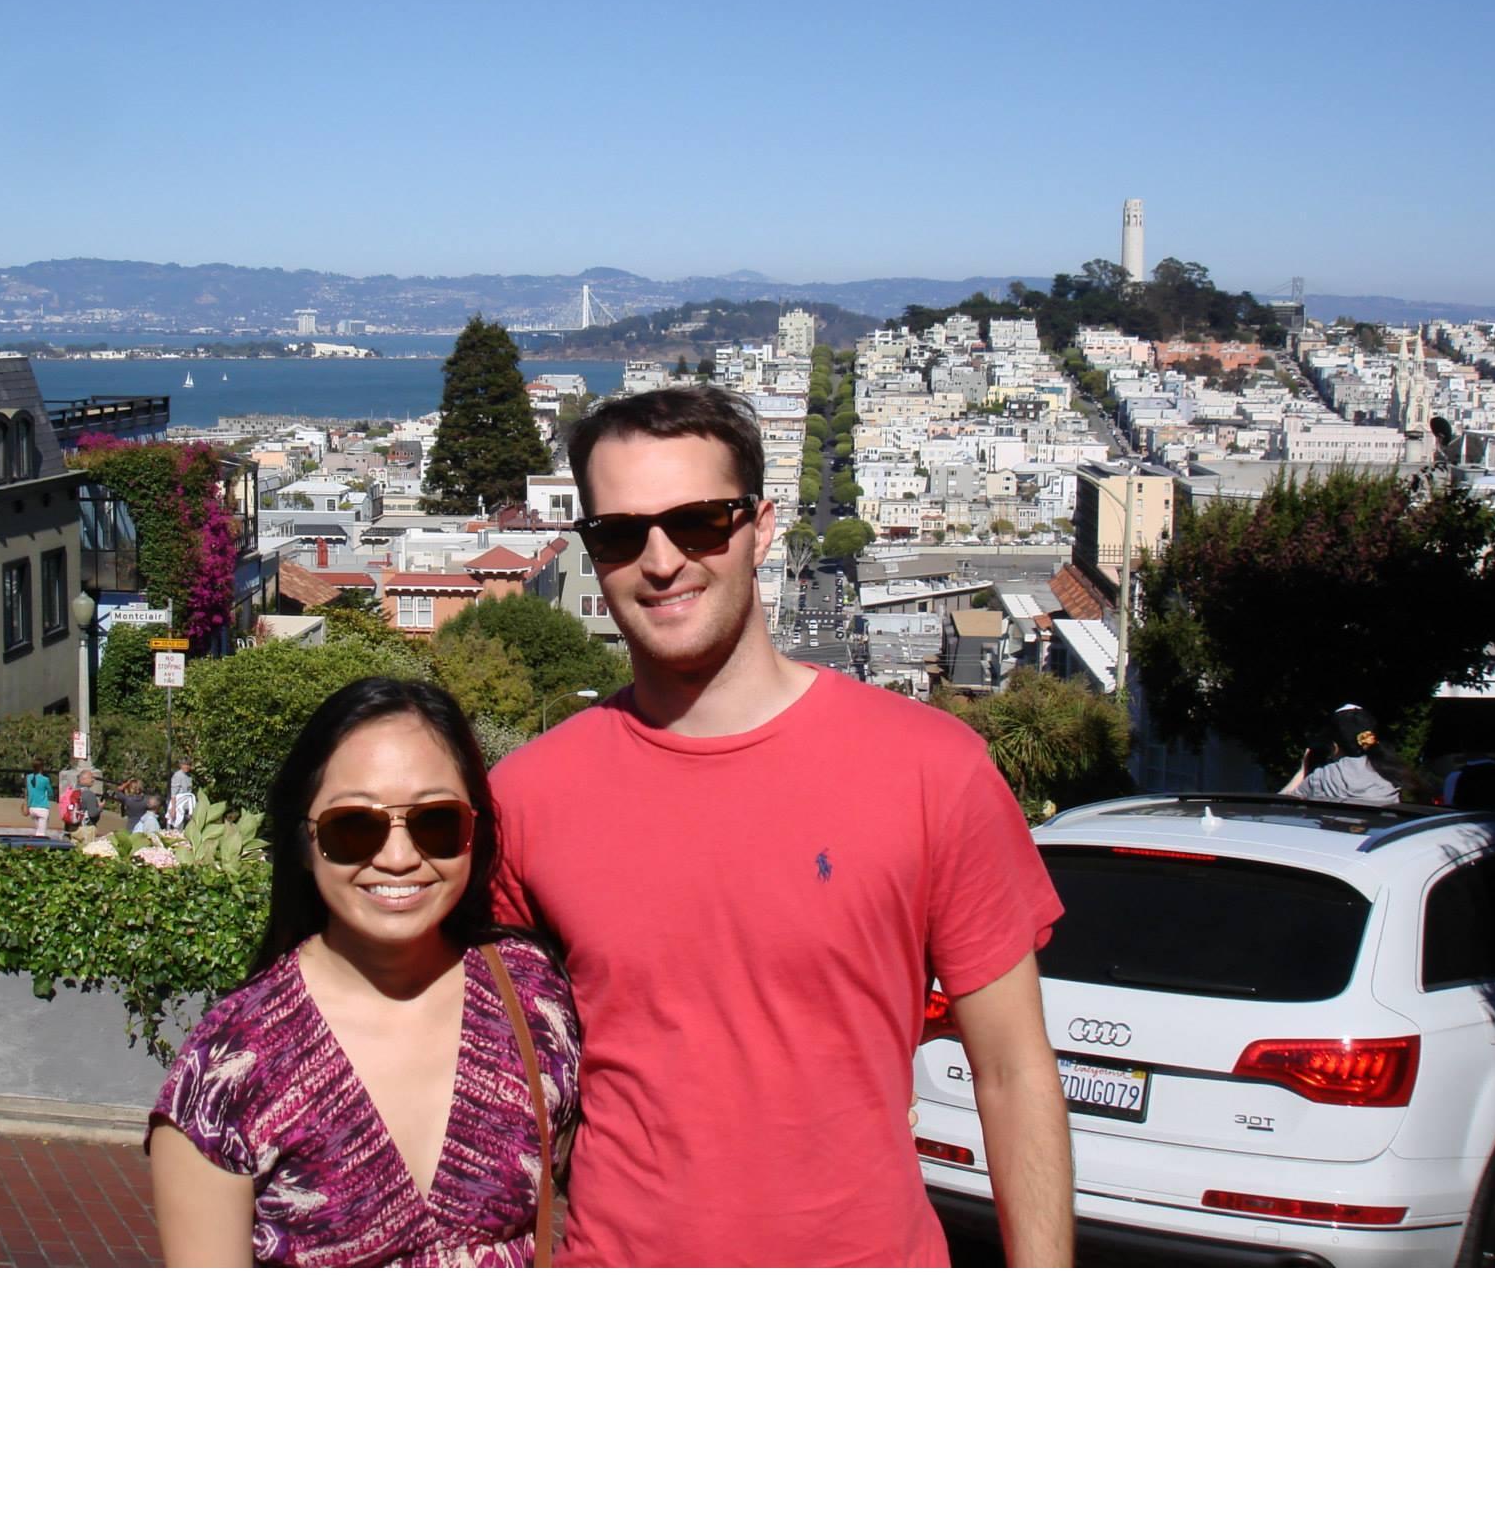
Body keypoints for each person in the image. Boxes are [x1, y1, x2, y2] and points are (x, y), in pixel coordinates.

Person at [490, 385, 1072, 1267]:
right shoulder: (527, 796)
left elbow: (1015, 1073)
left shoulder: (932, 771)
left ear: (761, 528)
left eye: (699, 523)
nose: (660, 561)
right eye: (619, 534)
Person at [148, 678, 577, 1267]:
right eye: (354, 828)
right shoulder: (229, 1068)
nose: (398, 858)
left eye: (436, 823)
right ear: (304, 840)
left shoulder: (533, 998)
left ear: (475, 830)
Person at [1280, 705, 1417, 805]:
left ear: (1334, 747)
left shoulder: (1323, 777)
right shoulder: (1390, 776)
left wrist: (1303, 770)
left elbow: (1279, 805)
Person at [23, 766, 54, 837]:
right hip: (43, 808)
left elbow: (27, 791)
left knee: (38, 830)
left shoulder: (28, 777)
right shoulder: (45, 779)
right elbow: (51, 793)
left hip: (32, 807)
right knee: (41, 833)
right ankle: (40, 847)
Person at [167, 762, 196, 832]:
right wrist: (173, 809)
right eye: (185, 765)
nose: (186, 766)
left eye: (188, 765)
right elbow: (173, 793)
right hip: (178, 804)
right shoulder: (177, 775)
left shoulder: (189, 776)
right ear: (181, 765)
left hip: (186, 805)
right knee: (177, 829)